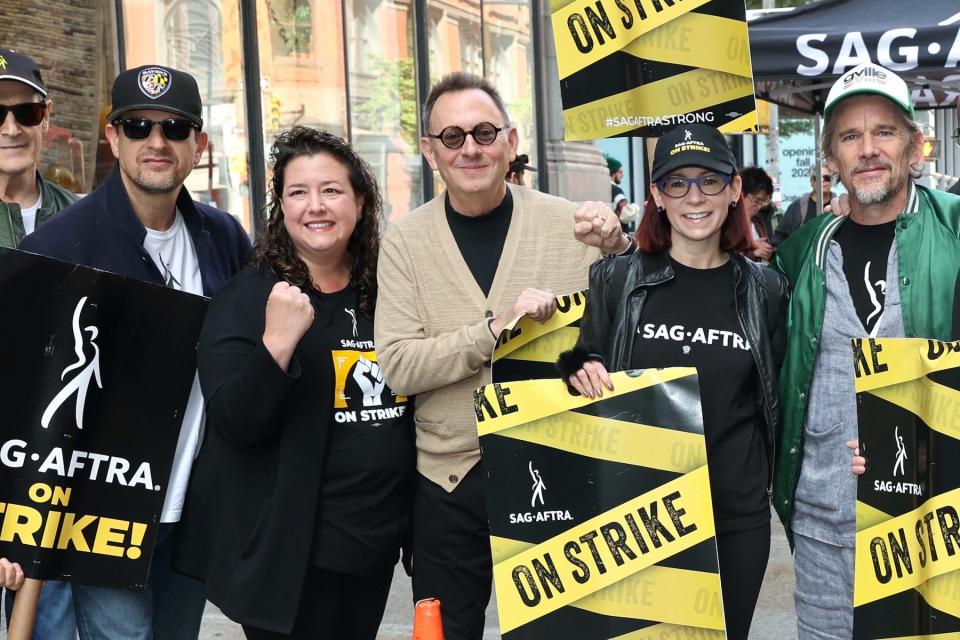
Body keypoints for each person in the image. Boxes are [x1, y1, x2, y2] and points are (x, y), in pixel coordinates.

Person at [374, 71, 630, 640]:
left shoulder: (570, 225)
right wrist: (493, 331)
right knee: (446, 629)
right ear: (429, 151)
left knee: (563, 629)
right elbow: (397, 364)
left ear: (511, 142)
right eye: (452, 137)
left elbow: (623, 325)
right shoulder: (405, 243)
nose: (470, 148)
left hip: (555, 464)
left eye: (485, 133)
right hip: (448, 479)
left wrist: (620, 245)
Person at [18, 64, 251, 640]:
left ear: (199, 145)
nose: (156, 141)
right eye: (138, 125)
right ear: (113, 138)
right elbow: (23, 399)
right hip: (102, 515)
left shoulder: (225, 239)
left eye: (174, 129)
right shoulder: (54, 246)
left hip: (192, 514)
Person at [174, 127, 412, 639]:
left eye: (331, 190)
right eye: (298, 192)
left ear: (360, 200)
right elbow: (234, 421)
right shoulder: (250, 297)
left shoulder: (389, 286)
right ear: (281, 207)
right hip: (292, 557)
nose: (315, 206)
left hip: (372, 546)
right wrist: (275, 346)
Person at [559, 123, 787, 640]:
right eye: (677, 183)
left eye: (709, 180)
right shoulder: (617, 279)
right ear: (657, 197)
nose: (695, 197)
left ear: (734, 190)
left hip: (735, 517)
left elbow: (775, 398)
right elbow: (583, 360)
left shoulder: (766, 291)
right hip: (643, 516)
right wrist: (578, 371)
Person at [772, 62, 960, 640]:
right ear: (830, 158)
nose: (868, 149)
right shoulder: (802, 251)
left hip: (935, 525)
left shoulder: (955, 232)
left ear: (914, 144)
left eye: (884, 131)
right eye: (850, 136)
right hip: (826, 528)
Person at [1, 46, 81, 638]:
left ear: (46, 120)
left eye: (24, 113)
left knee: (47, 627)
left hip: (49, 469)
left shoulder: (80, 221)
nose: (10, 127)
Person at [773, 163, 835, 245]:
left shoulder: (840, 207)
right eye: (817, 178)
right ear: (811, 182)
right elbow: (779, 237)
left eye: (826, 178)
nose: (822, 180)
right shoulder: (796, 207)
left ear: (832, 182)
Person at [739, 165, 776, 263]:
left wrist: (769, 252)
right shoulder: (728, 222)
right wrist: (753, 253)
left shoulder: (757, 221)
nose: (759, 206)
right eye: (756, 201)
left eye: (763, 202)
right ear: (741, 194)